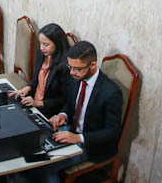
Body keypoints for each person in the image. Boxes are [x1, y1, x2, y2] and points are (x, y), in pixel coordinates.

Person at [25, 41, 122, 183]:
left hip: (91, 145)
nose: (71, 73)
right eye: (70, 67)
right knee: (30, 150)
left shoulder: (111, 92)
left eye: (77, 69)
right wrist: (62, 115)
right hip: (69, 129)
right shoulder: (76, 78)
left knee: (44, 166)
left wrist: (78, 138)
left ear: (93, 65)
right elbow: (70, 105)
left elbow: (112, 132)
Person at [10, 23, 69, 118]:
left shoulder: (65, 66)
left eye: (45, 44)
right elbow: (35, 80)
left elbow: (63, 99)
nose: (41, 48)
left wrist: (37, 103)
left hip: (48, 110)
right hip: (33, 100)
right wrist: (27, 88)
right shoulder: (42, 54)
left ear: (57, 44)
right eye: (40, 43)